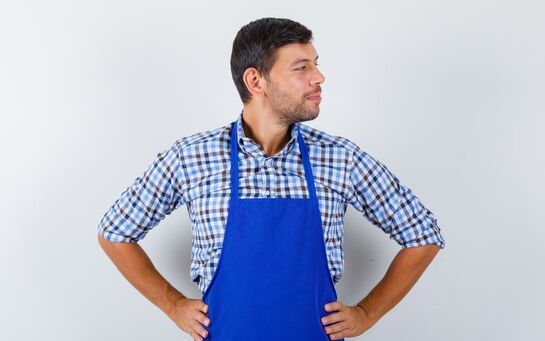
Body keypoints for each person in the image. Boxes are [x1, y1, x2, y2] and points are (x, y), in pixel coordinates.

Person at [98, 17, 445, 341]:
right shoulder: (190, 157)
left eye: (316, 64)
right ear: (255, 81)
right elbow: (115, 232)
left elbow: (423, 235)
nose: (318, 77)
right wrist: (173, 305)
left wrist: (367, 313)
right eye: (302, 68)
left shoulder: (341, 158)